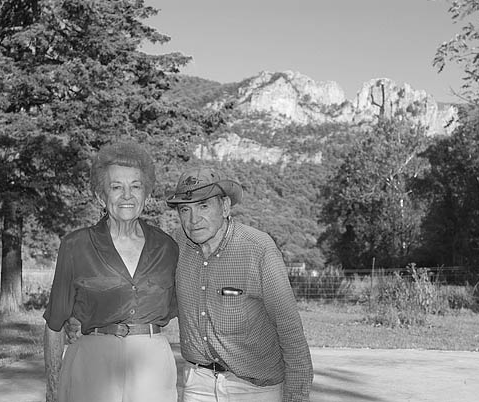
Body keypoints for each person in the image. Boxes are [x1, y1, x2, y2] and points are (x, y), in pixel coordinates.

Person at [43, 143, 179, 402]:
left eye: (136, 186)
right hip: (92, 364)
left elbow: (188, 308)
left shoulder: (167, 248)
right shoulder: (75, 246)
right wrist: (52, 389)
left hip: (152, 366)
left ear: (146, 195)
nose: (127, 195)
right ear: (100, 197)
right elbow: (54, 323)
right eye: (116, 187)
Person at [166, 167, 313, 402]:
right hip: (197, 383)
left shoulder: (258, 248)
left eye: (204, 206)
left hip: (254, 389)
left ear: (225, 207)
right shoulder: (175, 246)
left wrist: (297, 395)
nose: (193, 220)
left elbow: (288, 326)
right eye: (185, 209)